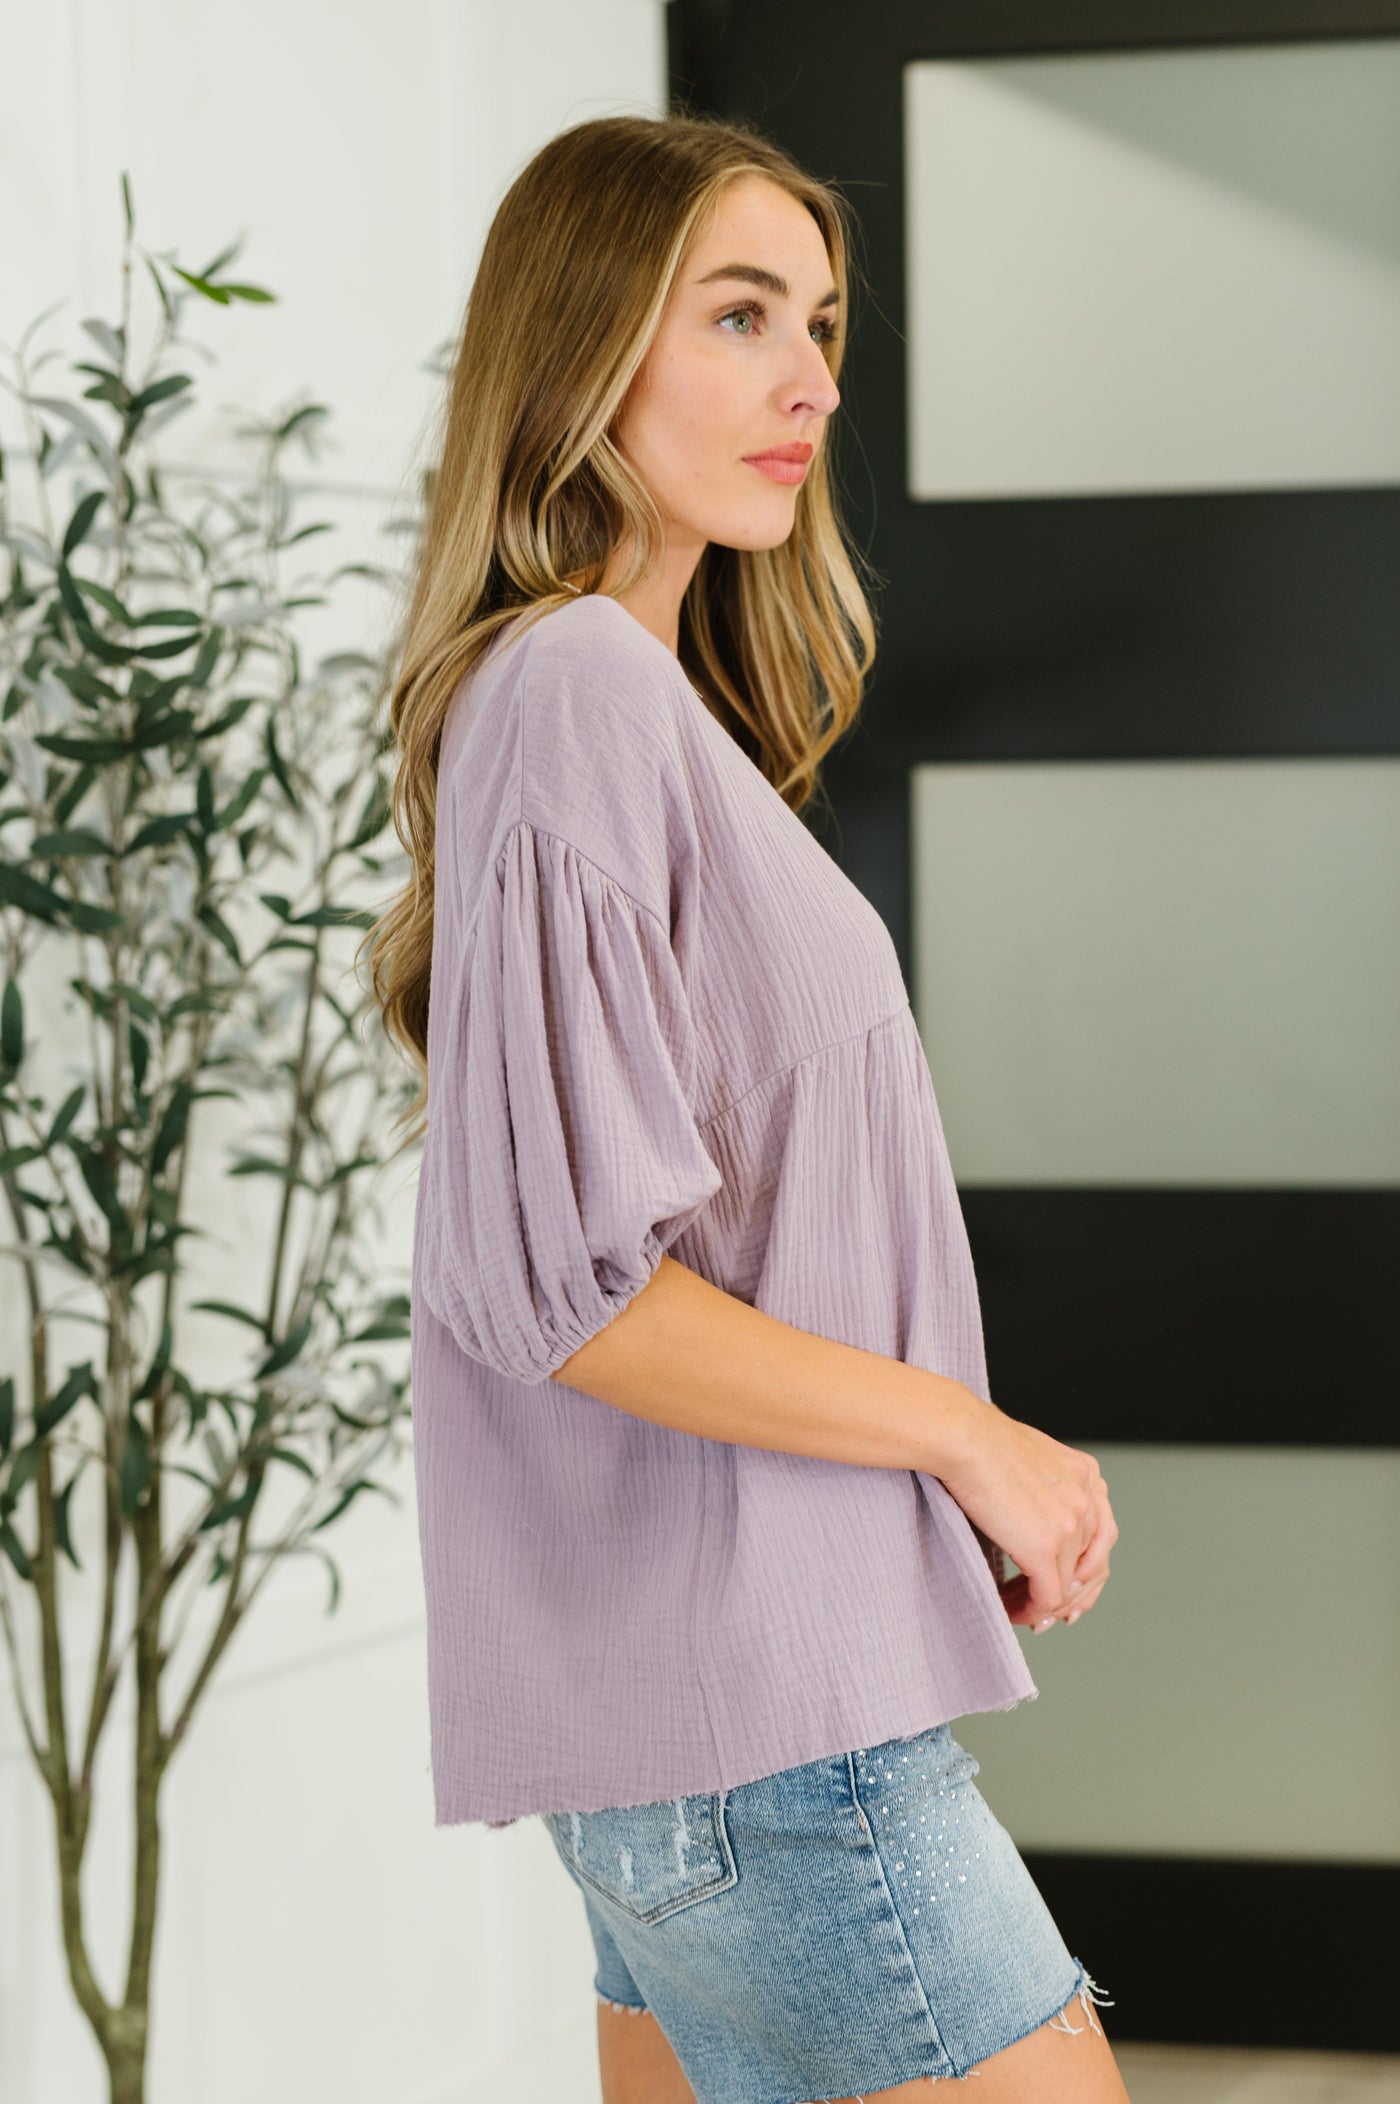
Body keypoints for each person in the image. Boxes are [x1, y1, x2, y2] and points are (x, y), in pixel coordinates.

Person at [365, 110, 1129, 2104]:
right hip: (777, 1745)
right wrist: (970, 1437)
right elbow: (573, 1290)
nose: (813, 381)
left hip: (700, 1739)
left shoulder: (622, 702)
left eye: (822, 322)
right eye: (739, 314)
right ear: (582, 348)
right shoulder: (576, 691)